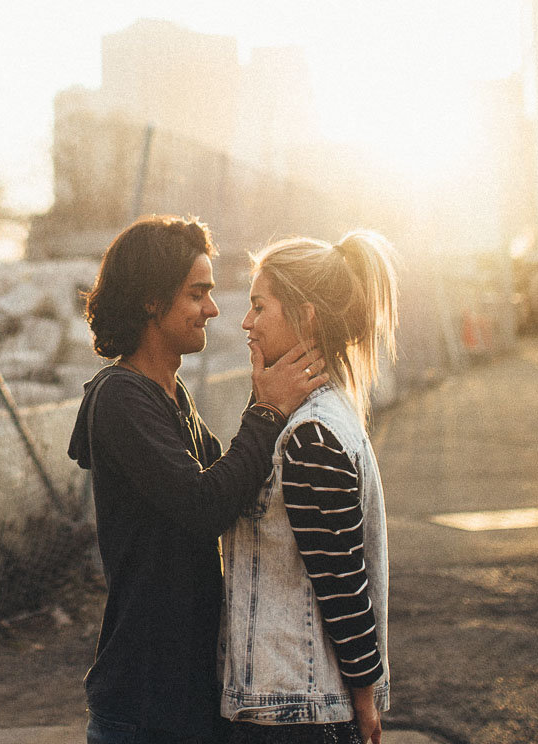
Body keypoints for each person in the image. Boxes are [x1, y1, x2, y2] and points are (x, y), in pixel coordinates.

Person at [68, 215, 326, 744]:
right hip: (143, 706)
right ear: (151, 300)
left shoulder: (170, 394)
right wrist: (267, 408)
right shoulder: (121, 397)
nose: (212, 308)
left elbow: (235, 482)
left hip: (186, 695)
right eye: (197, 294)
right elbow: (205, 503)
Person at [219, 232, 401, 744]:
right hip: (298, 709)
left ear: (306, 316)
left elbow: (343, 584)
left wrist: (364, 702)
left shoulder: (310, 435)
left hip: (294, 715)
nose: (246, 322)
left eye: (259, 306)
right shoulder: (314, 418)